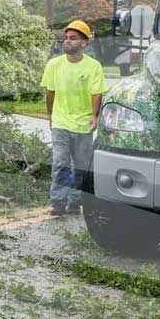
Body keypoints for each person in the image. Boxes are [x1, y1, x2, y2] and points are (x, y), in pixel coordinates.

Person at [41, 19, 106, 217]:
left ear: (84, 43)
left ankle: (75, 202)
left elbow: (97, 93)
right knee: (60, 162)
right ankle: (58, 202)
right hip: (61, 121)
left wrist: (94, 116)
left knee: (80, 165)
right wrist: (51, 115)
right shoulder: (54, 64)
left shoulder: (93, 67)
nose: (67, 42)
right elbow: (50, 93)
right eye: (66, 38)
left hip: (83, 123)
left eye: (73, 38)